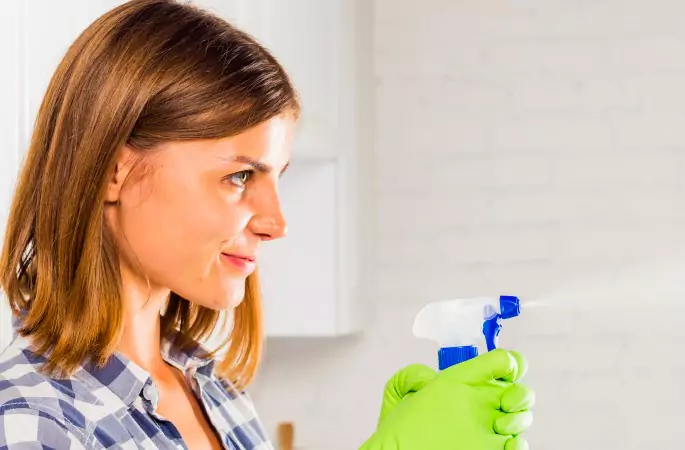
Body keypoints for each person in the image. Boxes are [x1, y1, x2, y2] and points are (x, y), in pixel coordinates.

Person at [0, 1, 535, 449]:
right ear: (114, 171)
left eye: (277, 176)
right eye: (238, 175)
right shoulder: (36, 423)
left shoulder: (212, 389)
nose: (277, 223)